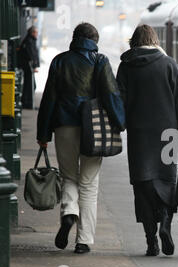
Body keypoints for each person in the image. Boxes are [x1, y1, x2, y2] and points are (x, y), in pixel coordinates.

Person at [37, 23, 125, 254]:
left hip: (64, 126)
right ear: (95, 40)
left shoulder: (59, 61)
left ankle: (69, 213)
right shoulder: (100, 61)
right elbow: (110, 94)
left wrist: (43, 134)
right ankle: (83, 241)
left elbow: (49, 99)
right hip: (93, 129)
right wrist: (120, 121)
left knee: (68, 176)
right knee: (89, 183)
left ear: (74, 38)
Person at [116, 25, 178, 256]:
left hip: (139, 136)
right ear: (154, 39)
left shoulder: (126, 66)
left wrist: (120, 125)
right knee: (166, 184)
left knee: (142, 187)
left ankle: (151, 241)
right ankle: (166, 225)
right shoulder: (168, 64)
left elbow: (119, 101)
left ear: (134, 41)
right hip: (167, 136)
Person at [19, 26, 40, 110]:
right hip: (28, 67)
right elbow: (31, 54)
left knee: (30, 85)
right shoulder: (29, 41)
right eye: (36, 32)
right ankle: (27, 103)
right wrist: (34, 66)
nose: (37, 34)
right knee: (31, 85)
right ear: (32, 33)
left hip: (28, 67)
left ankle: (27, 102)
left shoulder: (30, 40)